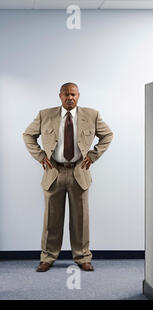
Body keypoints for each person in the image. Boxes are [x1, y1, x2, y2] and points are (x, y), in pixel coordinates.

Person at [23, 82, 113, 272]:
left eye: (73, 94)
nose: (70, 98)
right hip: (53, 172)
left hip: (79, 172)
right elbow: (28, 135)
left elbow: (107, 135)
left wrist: (93, 155)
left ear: (78, 96)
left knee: (80, 219)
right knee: (51, 219)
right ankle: (47, 257)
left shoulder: (92, 115)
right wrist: (40, 157)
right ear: (60, 96)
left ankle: (82, 257)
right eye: (66, 94)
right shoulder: (44, 115)